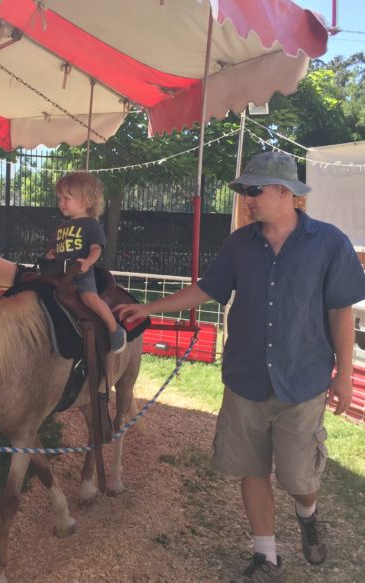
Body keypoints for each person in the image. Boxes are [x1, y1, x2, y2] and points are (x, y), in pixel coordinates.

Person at [115, 151, 365, 582]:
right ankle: (266, 557)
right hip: (245, 377)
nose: (247, 199)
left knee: (296, 476)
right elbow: (206, 290)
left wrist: (343, 373)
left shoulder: (330, 242)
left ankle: (308, 513)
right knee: (250, 469)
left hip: (302, 381)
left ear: (286, 192)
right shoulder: (238, 243)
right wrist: (148, 307)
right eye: (244, 191)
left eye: (255, 190)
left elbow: (341, 310)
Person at [46, 171, 127, 354]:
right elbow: (53, 248)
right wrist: (51, 254)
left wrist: (88, 261)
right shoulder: (62, 227)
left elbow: (96, 248)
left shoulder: (91, 224)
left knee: (89, 297)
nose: (61, 203)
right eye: (60, 199)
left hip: (81, 275)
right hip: (61, 274)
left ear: (85, 200)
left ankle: (114, 329)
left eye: (66, 198)